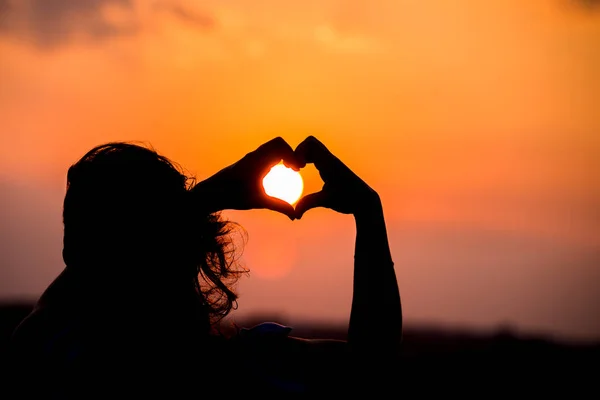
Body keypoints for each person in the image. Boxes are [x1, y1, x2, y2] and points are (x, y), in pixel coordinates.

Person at [7, 136, 402, 398]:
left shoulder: (53, 352)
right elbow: (372, 366)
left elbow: (84, 272)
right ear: (188, 245)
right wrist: (369, 214)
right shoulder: (223, 372)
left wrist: (200, 201)